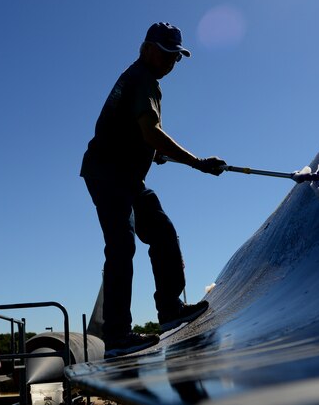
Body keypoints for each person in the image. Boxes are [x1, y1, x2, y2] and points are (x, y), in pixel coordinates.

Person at [80, 22, 226, 357]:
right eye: (166, 54)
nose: (171, 62)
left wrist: (153, 151)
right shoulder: (143, 78)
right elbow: (150, 131)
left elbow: (137, 132)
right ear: (147, 48)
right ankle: (116, 335)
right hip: (108, 174)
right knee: (121, 245)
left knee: (161, 230)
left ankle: (170, 310)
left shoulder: (138, 77)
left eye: (176, 57)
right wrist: (198, 162)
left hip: (127, 177)